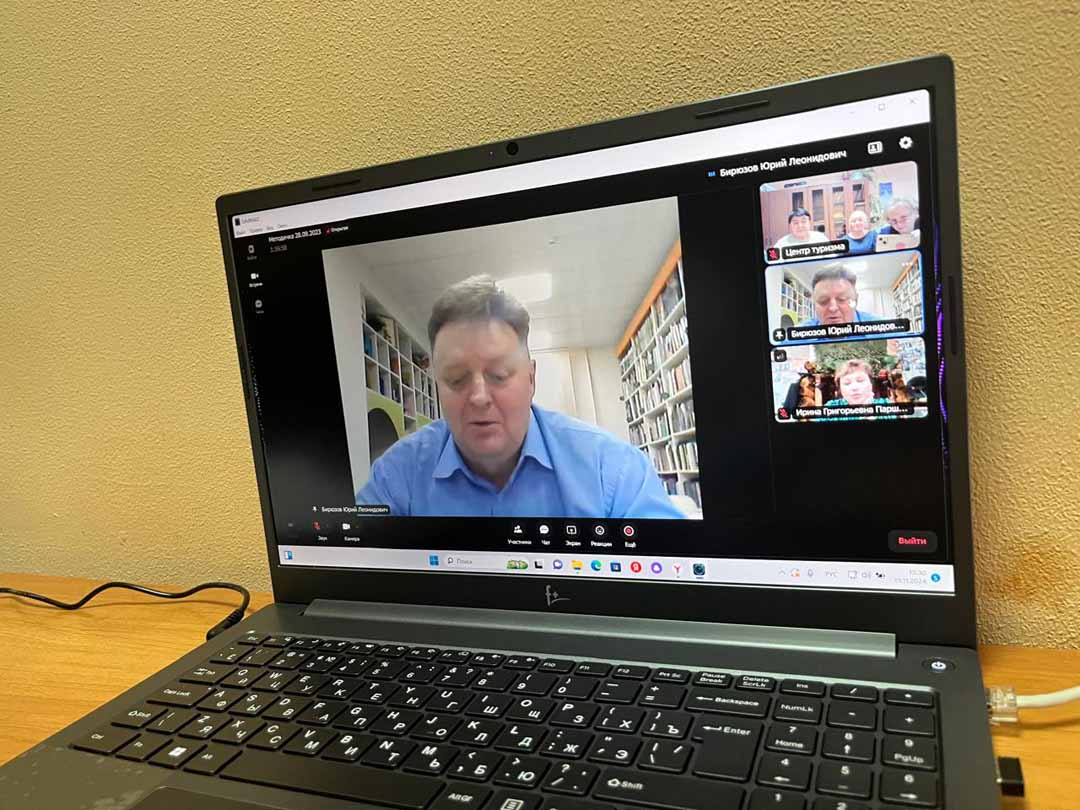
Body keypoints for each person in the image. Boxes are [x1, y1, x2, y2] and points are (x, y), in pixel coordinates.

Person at [356, 275, 684, 518]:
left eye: (499, 375)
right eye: (456, 379)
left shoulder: (612, 470)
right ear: (438, 386)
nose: (479, 397)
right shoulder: (398, 473)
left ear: (531, 378)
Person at [798, 265, 881, 326]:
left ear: (855, 300)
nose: (833, 308)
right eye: (823, 301)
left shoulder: (882, 328)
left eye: (842, 299)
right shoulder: (797, 335)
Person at [823, 359, 891, 408]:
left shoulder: (887, 405)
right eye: (847, 383)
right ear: (840, 388)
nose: (854, 387)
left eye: (860, 381)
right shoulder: (830, 408)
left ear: (870, 384)